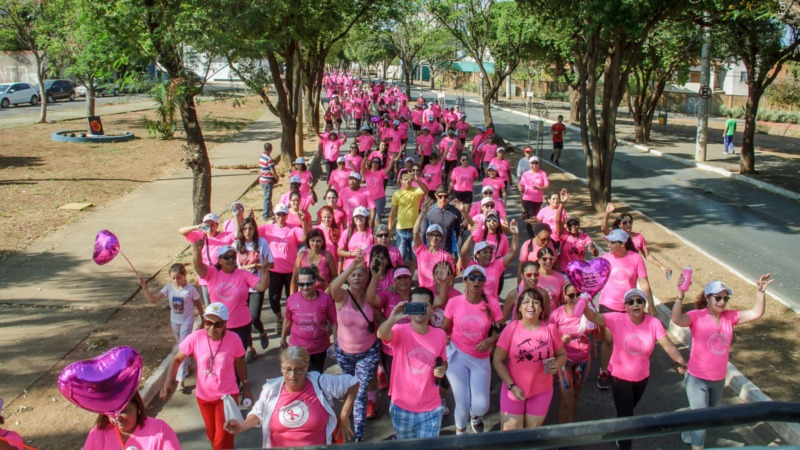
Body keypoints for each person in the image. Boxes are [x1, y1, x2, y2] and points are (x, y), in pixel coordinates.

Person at [672, 274, 773, 450]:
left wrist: (760, 293)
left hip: (718, 380)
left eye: (725, 298)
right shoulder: (697, 316)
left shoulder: (730, 317)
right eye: (717, 297)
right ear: (708, 298)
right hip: (697, 379)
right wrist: (680, 295)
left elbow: (756, 313)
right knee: (702, 422)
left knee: (707, 418)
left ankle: (687, 431)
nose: (722, 301)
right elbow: (676, 319)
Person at [581, 289, 687, 450]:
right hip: (620, 377)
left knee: (628, 410)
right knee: (627, 416)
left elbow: (668, 345)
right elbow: (593, 317)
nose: (635, 304)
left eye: (639, 301)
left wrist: (680, 361)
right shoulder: (616, 319)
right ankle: (624, 444)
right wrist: (584, 300)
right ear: (625, 306)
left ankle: (620, 428)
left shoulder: (653, 323)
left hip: (642, 377)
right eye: (631, 302)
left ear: (644, 304)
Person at [224, 346, 359, 447]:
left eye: (298, 370)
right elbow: (258, 413)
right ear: (281, 368)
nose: (292, 376)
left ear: (306, 367)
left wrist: (344, 414)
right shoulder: (271, 390)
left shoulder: (321, 383)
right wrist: (242, 426)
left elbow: (354, 383)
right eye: (287, 370)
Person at [162, 303, 253, 450]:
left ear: (225, 324)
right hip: (204, 397)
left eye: (217, 324)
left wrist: (246, 387)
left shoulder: (234, 339)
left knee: (222, 438)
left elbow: (240, 365)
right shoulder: (196, 337)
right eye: (208, 323)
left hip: (227, 397)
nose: (212, 328)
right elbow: (177, 359)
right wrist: (167, 383)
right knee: (212, 435)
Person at [378, 287, 448, 439]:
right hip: (402, 408)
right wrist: (392, 318)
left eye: (423, 306)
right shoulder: (399, 330)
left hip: (432, 409)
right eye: (415, 305)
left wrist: (442, 369)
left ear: (431, 308)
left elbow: (443, 362)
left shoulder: (440, 335)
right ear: (408, 306)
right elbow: (381, 334)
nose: (420, 310)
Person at [442, 265, 504, 435]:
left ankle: (475, 415)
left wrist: (490, 340)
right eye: (472, 278)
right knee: (461, 402)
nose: (476, 282)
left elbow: (502, 329)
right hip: (457, 356)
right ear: (465, 281)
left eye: (480, 279)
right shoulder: (454, 302)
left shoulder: (492, 304)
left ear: (484, 282)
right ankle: (460, 435)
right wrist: (445, 337)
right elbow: (444, 328)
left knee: (481, 405)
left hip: (480, 358)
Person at [493, 288, 566, 431]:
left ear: (541, 309)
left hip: (541, 391)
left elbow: (562, 355)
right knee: (511, 432)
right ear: (519, 307)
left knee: (530, 433)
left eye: (535, 302)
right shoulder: (511, 328)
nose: (531, 305)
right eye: (526, 301)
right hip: (514, 389)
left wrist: (556, 365)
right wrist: (511, 386)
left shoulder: (550, 329)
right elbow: (497, 360)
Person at [329, 255, 381, 441]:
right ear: (348, 278)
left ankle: (358, 436)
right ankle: (350, 410)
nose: (357, 278)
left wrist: (374, 276)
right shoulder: (342, 296)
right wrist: (351, 267)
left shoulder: (370, 298)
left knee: (360, 391)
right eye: (353, 275)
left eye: (361, 275)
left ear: (366, 278)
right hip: (344, 354)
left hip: (367, 353)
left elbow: (380, 317)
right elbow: (332, 287)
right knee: (350, 386)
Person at [596, 228, 654, 390]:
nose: (608, 245)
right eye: (607, 241)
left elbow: (644, 283)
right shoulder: (605, 259)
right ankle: (603, 371)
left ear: (622, 244)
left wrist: (651, 304)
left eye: (612, 242)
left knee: (624, 342)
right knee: (608, 340)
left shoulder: (635, 259)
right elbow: (593, 278)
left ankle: (622, 372)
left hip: (629, 308)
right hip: (608, 305)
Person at [192, 241, 270, 358]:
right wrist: (197, 251)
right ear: (219, 260)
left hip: (241, 326)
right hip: (218, 326)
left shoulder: (243, 274)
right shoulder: (212, 273)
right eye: (226, 257)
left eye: (233, 257)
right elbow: (198, 266)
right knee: (221, 357)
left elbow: (261, 286)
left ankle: (240, 377)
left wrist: (265, 271)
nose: (231, 260)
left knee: (238, 359)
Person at [138, 263, 204, 390]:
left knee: (182, 349)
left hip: (187, 322)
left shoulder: (190, 290)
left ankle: (181, 379)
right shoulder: (169, 288)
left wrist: (203, 318)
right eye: (173, 278)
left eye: (179, 278)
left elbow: (198, 304)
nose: (176, 281)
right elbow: (153, 300)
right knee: (183, 347)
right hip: (175, 322)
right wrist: (144, 287)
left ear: (184, 275)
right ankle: (188, 364)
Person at [549, 283, 592, 423]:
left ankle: (570, 426)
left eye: (578, 295)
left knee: (575, 396)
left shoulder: (587, 312)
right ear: (564, 296)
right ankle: (562, 432)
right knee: (567, 399)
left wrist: (594, 322)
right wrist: (561, 341)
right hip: (564, 361)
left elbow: (602, 335)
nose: (575, 298)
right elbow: (548, 341)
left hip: (583, 359)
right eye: (571, 295)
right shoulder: (556, 315)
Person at [281, 268, 339, 374]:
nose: (305, 287)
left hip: (319, 348)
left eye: (309, 284)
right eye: (301, 284)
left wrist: (336, 343)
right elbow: (288, 320)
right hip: (296, 348)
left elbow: (335, 322)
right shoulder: (292, 299)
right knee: (299, 376)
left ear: (315, 281)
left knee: (316, 377)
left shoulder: (326, 300)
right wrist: (283, 337)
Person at [260, 204, 306, 334]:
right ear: (275, 215)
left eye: (283, 214)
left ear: (287, 215)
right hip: (274, 270)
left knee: (293, 298)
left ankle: (290, 320)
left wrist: (303, 221)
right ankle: (280, 318)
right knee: (273, 298)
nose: (281, 217)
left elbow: (304, 238)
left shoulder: (293, 229)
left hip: (291, 271)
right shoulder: (267, 228)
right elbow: (249, 232)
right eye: (278, 214)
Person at [234, 216, 274, 361]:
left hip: (257, 284)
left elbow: (271, 264)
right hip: (240, 286)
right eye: (245, 229)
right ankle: (250, 347)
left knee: (253, 316)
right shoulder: (236, 245)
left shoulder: (261, 243)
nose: (248, 231)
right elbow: (232, 265)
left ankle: (262, 331)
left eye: (250, 228)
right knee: (244, 319)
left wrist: (256, 266)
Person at [84, 392, 180, 450]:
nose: (117, 417)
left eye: (124, 411)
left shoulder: (160, 430)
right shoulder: (97, 434)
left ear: (137, 407)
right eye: (111, 412)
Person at [602, 203, 672, 279]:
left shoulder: (639, 237)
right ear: (619, 224)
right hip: (617, 269)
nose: (628, 224)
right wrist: (607, 213)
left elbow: (647, 255)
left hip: (633, 271)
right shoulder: (615, 235)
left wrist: (661, 266)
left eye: (630, 222)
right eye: (625, 222)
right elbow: (604, 229)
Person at [178, 213, 234, 306]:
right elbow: (181, 231)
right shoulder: (200, 235)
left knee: (225, 302)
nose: (210, 228)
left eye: (212, 225)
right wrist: (196, 227)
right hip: (206, 276)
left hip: (221, 275)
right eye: (207, 225)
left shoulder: (226, 236)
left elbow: (237, 235)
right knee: (210, 305)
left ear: (217, 225)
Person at [460, 221, 519, 307]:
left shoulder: (497, 265)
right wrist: (472, 235)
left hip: (491, 309)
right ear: (477, 255)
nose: (489, 255)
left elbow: (512, 253)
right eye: (485, 252)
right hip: (471, 308)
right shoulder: (471, 266)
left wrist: (515, 235)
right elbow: (463, 254)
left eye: (490, 252)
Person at [389, 169, 428, 265]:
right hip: (400, 230)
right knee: (400, 257)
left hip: (414, 231)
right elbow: (393, 212)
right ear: (401, 180)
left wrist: (417, 180)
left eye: (409, 179)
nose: (408, 181)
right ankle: (400, 277)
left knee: (414, 258)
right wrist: (390, 229)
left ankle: (409, 278)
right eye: (405, 179)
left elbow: (426, 191)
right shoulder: (397, 194)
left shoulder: (416, 191)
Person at [413, 201, 455, 290]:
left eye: (437, 235)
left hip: (438, 292)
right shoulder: (421, 250)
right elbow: (415, 232)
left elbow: (451, 276)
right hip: (423, 292)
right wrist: (422, 213)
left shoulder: (445, 256)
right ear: (427, 237)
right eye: (432, 235)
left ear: (441, 238)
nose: (434, 238)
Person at [419, 186, 464, 265]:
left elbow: (458, 235)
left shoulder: (455, 212)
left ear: (449, 195)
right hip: (432, 252)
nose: (443, 199)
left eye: (445, 196)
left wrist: (459, 256)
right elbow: (423, 233)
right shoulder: (429, 211)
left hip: (449, 252)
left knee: (449, 277)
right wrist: (423, 253)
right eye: (440, 196)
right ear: (436, 196)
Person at [519, 156, 550, 239]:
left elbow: (547, 185)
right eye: (532, 163)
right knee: (531, 216)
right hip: (527, 198)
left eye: (536, 163)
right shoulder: (526, 174)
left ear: (538, 164)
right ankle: (531, 236)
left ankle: (536, 233)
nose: (534, 165)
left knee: (537, 217)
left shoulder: (542, 173)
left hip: (538, 199)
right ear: (529, 164)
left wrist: (540, 188)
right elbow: (521, 184)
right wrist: (520, 188)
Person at [338, 206, 374, 271]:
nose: (359, 218)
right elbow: (339, 251)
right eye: (356, 216)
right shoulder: (347, 232)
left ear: (366, 218)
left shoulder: (372, 232)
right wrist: (351, 253)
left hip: (366, 269)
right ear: (353, 218)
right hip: (350, 270)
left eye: (362, 216)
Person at [536, 247, 566, 312]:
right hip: (536, 318)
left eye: (551, 259)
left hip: (554, 318)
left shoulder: (559, 277)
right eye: (544, 259)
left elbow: (564, 301)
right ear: (538, 260)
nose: (548, 261)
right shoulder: (533, 276)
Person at [258, 142, 279, 220]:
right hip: (267, 181)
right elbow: (273, 170)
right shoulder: (269, 159)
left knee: (268, 197)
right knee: (267, 198)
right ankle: (265, 214)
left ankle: (270, 211)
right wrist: (276, 177)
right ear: (271, 149)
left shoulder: (261, 156)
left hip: (262, 179)